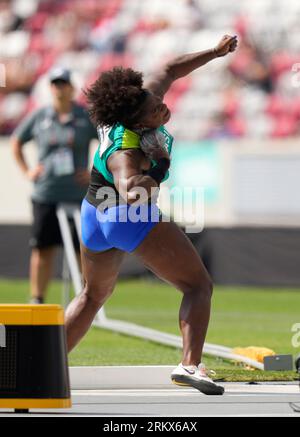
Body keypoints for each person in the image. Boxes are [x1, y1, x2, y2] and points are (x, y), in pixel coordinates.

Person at [65, 35, 238, 395]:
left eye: (157, 101)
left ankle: (42, 364)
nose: (161, 107)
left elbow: (170, 69)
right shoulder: (126, 148)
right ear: (136, 124)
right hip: (124, 213)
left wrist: (213, 52)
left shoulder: (137, 103)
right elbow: (132, 191)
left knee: (92, 296)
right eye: (154, 110)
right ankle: (189, 365)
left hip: (94, 214)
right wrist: (160, 166)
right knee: (198, 285)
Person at [11, 68, 98, 304]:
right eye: (55, 84)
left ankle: (87, 298)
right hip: (46, 194)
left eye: (64, 84)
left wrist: (95, 174)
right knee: (42, 248)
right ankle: (37, 298)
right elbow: (16, 141)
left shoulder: (84, 117)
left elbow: (106, 143)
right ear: (50, 88)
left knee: (84, 249)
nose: (59, 88)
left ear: (71, 88)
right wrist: (28, 171)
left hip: (78, 195)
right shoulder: (40, 116)